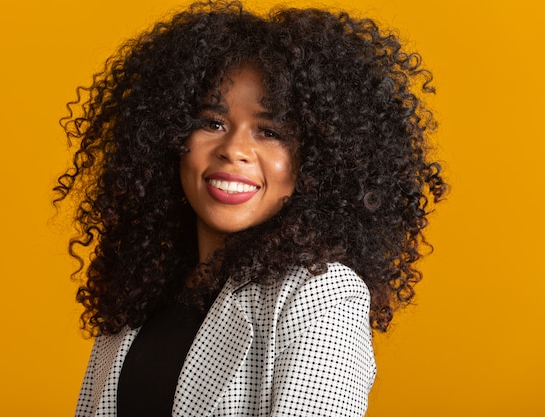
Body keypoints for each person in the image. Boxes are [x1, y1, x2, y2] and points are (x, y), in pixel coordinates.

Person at [54, 1, 447, 416]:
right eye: (213, 122)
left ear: (318, 161)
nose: (234, 151)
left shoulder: (322, 295)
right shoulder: (141, 289)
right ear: (169, 136)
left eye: (270, 131)